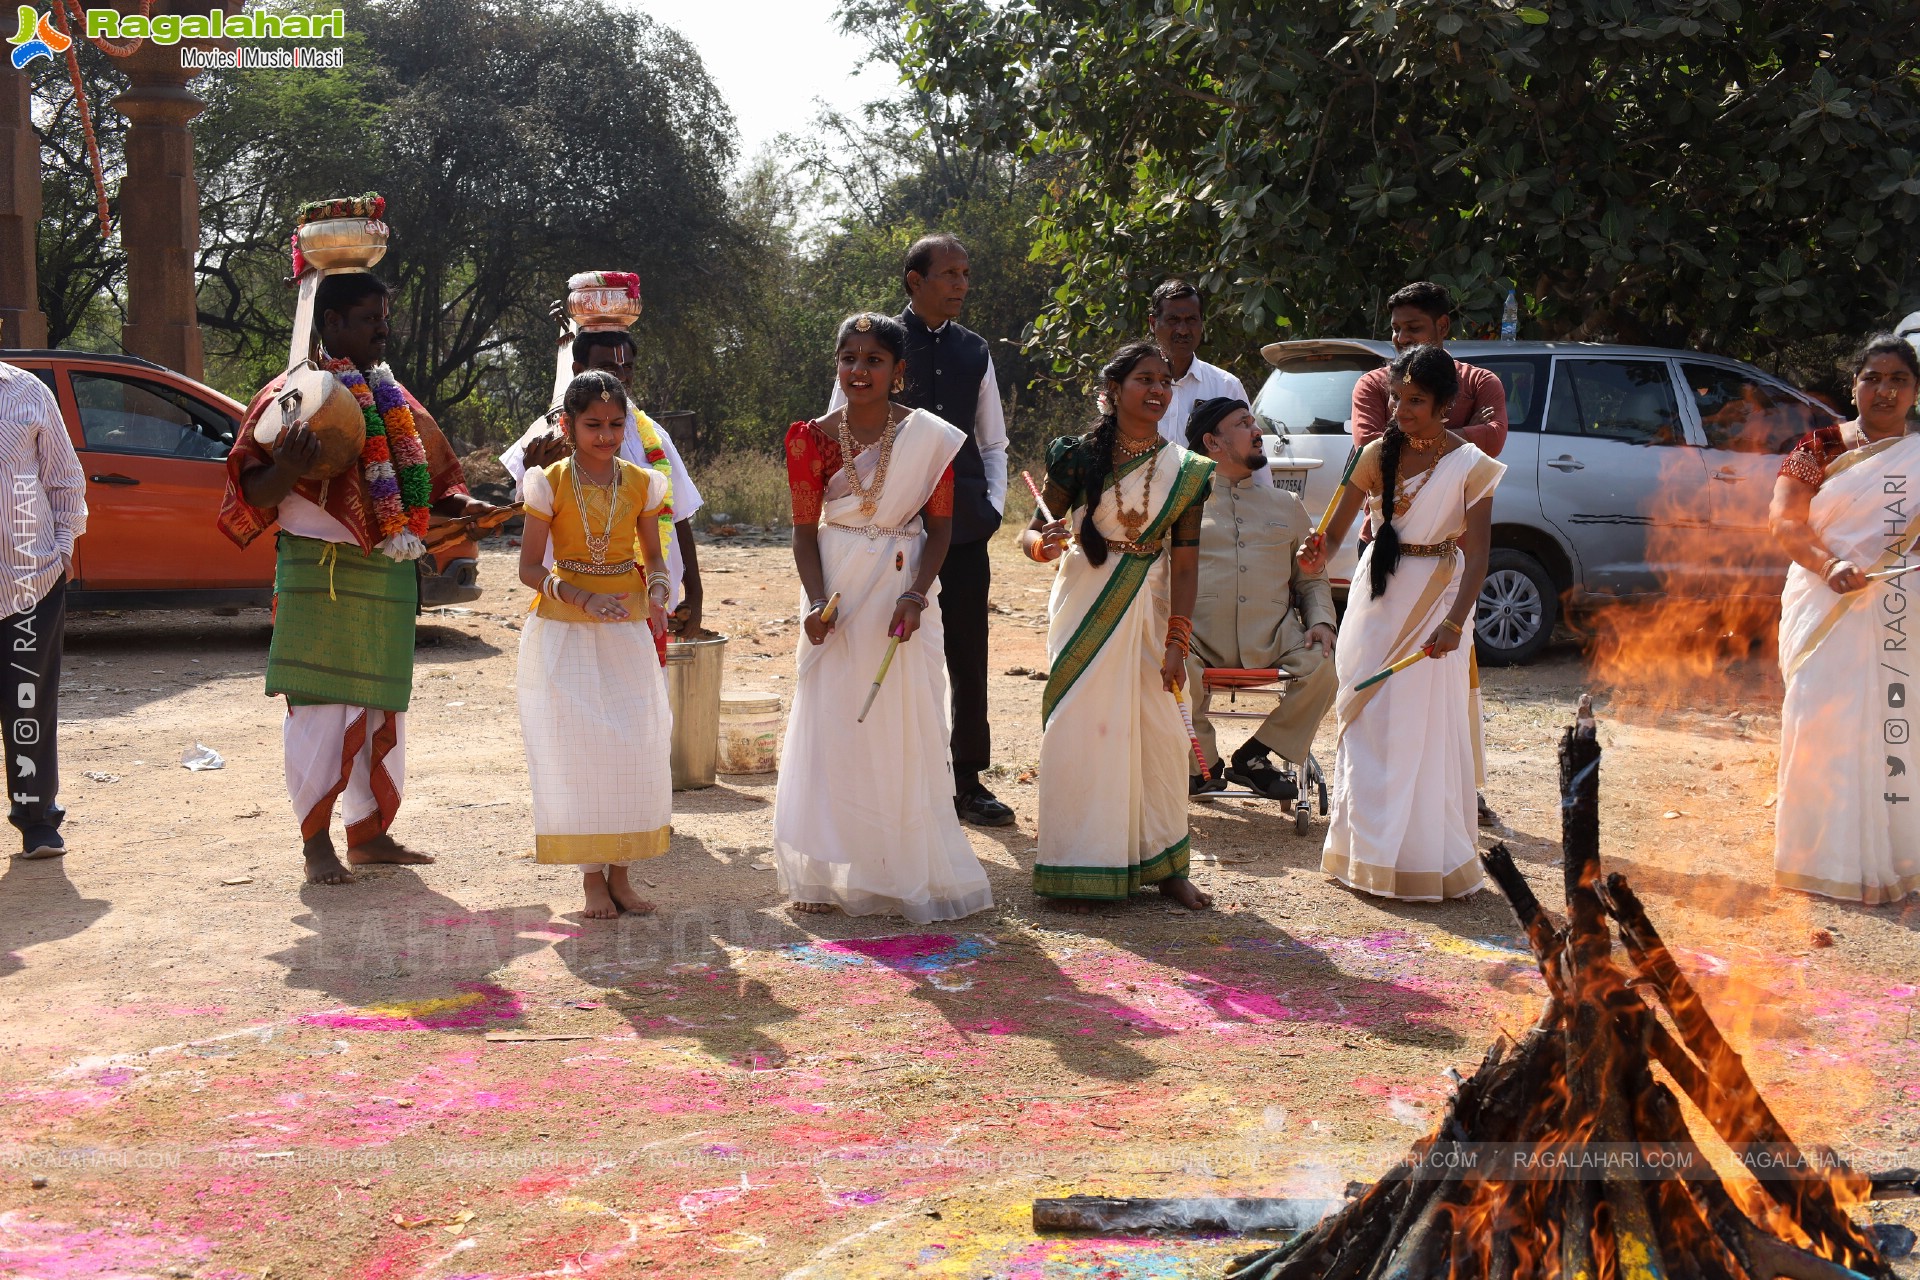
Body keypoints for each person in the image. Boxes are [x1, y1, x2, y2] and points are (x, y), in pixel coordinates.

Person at [217, 270, 506, 885]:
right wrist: (287, 467)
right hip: (316, 575)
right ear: (331, 325)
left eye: (383, 315)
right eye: (371, 317)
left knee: (381, 712)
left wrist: (468, 508)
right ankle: (315, 843)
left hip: (386, 577)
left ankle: (370, 836)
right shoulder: (289, 398)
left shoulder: (396, 398)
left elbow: (430, 480)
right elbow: (252, 494)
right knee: (319, 711)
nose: (384, 328)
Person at [774, 313, 993, 923]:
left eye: (873, 360)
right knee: (835, 714)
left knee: (903, 715)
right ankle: (831, 866)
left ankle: (900, 867)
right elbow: (801, 534)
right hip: (836, 584)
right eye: (848, 358)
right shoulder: (808, 439)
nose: (858, 371)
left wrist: (917, 595)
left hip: (903, 584)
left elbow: (943, 531)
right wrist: (817, 605)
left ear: (898, 374)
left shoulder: (932, 439)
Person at [1301, 345, 1503, 901]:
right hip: (1377, 593)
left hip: (1439, 600)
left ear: (1446, 404)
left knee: (1423, 723)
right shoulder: (1372, 454)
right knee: (1366, 715)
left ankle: (1420, 860)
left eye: (1415, 401)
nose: (1401, 411)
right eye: (1396, 398)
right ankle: (1363, 855)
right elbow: (1335, 535)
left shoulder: (1472, 465)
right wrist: (1314, 554)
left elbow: (1480, 556)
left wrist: (1456, 624)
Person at [1023, 341, 1215, 912]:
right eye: (1144, 380)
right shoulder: (1079, 457)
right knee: (1084, 727)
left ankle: (1167, 867)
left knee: (1156, 732)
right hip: (1085, 603)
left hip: (1152, 610)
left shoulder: (1187, 472)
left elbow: (1184, 559)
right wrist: (1042, 544)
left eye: (1165, 381)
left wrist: (1179, 639)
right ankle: (1079, 862)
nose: (1158, 389)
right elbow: (1033, 532)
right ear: (1113, 391)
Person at [827, 234, 1011, 828]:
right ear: (915, 280)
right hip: (892, 529)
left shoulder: (974, 350)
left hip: (963, 526)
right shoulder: (874, 342)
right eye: (949, 273)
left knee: (966, 647)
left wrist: (995, 505)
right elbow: (841, 431)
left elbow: (993, 439)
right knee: (897, 645)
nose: (960, 283)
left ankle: (968, 780)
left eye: (965, 272)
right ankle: (903, 773)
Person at [1349, 280, 1508, 827]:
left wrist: (1457, 619)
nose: (1398, 338)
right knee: (1367, 699)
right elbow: (1370, 447)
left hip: (1445, 580)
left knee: (1436, 707)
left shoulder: (1479, 388)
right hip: (1382, 570)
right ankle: (1371, 825)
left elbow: (1494, 437)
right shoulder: (1374, 387)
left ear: (1444, 327)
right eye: (1394, 329)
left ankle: (1439, 813)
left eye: (1412, 328)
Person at [515, 371, 673, 919]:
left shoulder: (643, 482)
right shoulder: (548, 482)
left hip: (626, 630)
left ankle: (623, 875)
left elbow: (653, 556)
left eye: (614, 424)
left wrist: (658, 587)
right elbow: (529, 568)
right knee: (579, 749)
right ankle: (590, 880)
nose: (605, 435)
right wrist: (579, 596)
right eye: (592, 425)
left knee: (633, 746)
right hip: (564, 631)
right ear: (568, 425)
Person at [1769, 334, 1920, 904]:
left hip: (1901, 614)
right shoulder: (1818, 447)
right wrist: (1828, 563)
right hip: (1825, 603)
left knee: (1895, 721)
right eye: (1872, 378)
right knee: (1821, 717)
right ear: (1852, 384)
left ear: (1915, 391)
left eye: (1898, 380)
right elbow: (1784, 523)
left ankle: (1896, 858)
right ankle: (1819, 860)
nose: (1884, 390)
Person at [504, 315, 705, 634]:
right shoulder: (543, 438)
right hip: (568, 604)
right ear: (577, 370)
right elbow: (525, 519)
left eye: (628, 367)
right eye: (609, 368)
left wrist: (695, 594)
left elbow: (677, 515)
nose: (622, 377)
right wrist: (534, 473)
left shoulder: (653, 435)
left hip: (640, 603)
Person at [1181, 396, 1338, 798]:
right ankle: (1204, 764)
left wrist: (1320, 621)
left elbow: (1312, 577)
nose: (1257, 432)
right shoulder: (1183, 503)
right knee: (1171, 666)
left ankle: (1255, 756)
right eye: (1243, 424)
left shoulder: (1286, 505)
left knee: (1325, 665)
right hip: (1198, 637)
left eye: (1255, 423)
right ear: (1213, 442)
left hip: (1273, 637)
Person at [0, 361, 85, 859]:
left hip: (30, 580)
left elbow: (63, 478)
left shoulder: (26, 391)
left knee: (28, 704)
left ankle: (36, 820)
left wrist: (62, 547)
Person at [1151, 279, 1259, 479]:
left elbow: (1251, 456)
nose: (1183, 330)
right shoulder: (1131, 385)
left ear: (1202, 323)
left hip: (1211, 508)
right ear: (1152, 323)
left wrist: (1263, 505)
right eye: (1173, 320)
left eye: (1191, 320)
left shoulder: (1226, 386)